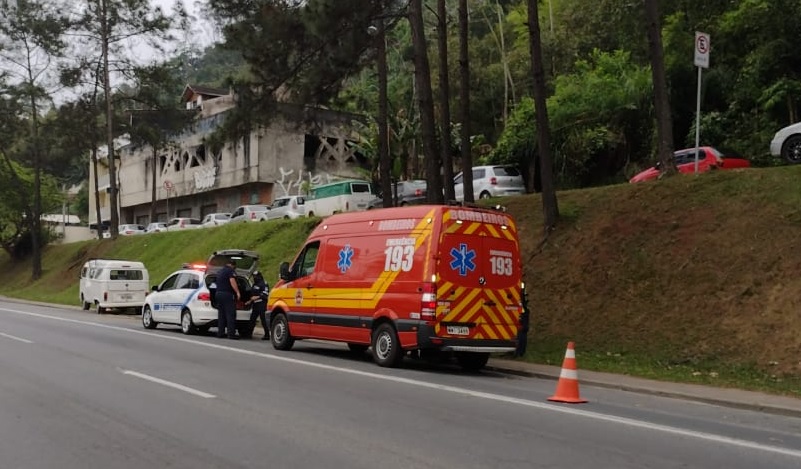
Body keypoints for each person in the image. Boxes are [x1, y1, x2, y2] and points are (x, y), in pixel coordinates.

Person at [215, 259, 241, 340]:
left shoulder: (220, 271)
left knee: (221, 314)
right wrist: (237, 292)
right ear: (232, 265)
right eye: (235, 267)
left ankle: (220, 333)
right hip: (227, 294)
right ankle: (231, 334)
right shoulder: (230, 271)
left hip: (218, 294)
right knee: (230, 314)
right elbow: (232, 281)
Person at [247, 271, 270, 340]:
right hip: (255, 305)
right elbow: (252, 294)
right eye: (253, 277)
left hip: (262, 304)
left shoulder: (264, 283)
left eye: (256, 276)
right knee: (252, 319)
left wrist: (256, 297)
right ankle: (249, 334)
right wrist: (250, 301)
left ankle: (267, 335)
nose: (254, 278)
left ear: (259, 276)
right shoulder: (255, 284)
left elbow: (265, 294)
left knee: (263, 320)